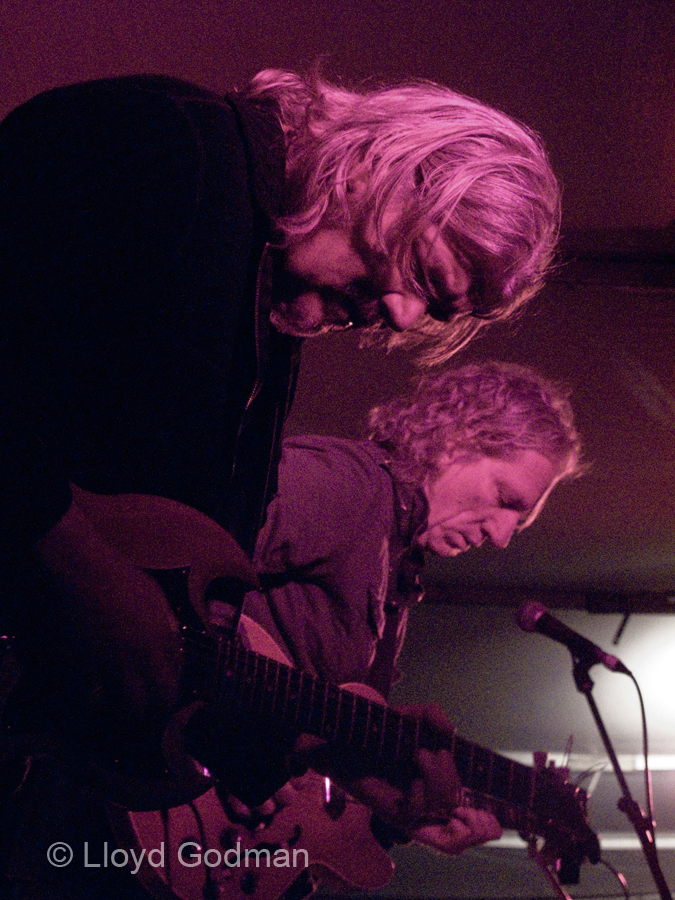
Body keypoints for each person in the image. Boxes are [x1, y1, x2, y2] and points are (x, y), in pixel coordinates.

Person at [0, 69, 560, 898]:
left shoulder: (265, 333)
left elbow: (175, 643)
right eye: (423, 274)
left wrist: (320, 750)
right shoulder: (163, 142)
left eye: (435, 313)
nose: (402, 319)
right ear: (397, 170)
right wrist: (67, 554)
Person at [241, 360, 583, 859]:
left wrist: (398, 816)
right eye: (505, 498)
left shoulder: (396, 572)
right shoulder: (347, 487)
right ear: (455, 437)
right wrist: (220, 731)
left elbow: (313, 743)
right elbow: (176, 553)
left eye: (519, 522)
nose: (503, 537)